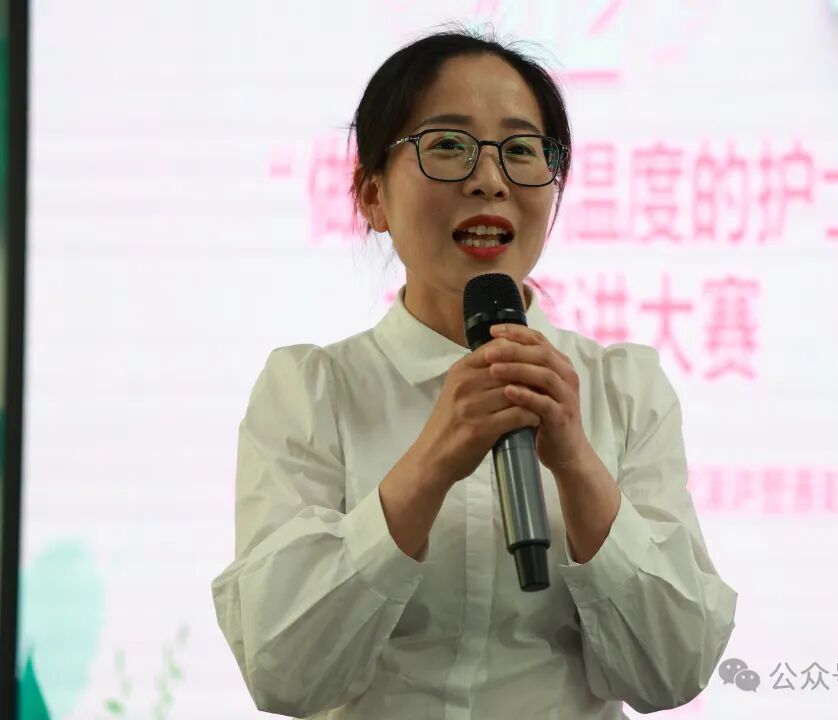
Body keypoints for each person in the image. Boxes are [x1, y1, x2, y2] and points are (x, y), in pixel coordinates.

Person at [211, 26, 737, 720]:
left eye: (520, 151)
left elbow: (674, 671)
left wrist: (576, 462)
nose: (489, 178)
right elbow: (284, 672)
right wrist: (431, 460)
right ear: (371, 195)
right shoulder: (312, 391)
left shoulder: (623, 389)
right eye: (448, 145)